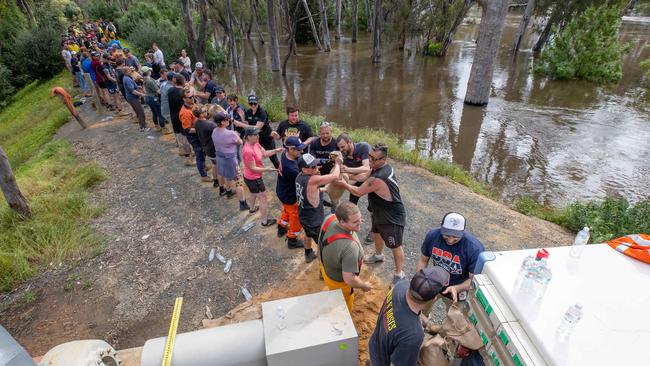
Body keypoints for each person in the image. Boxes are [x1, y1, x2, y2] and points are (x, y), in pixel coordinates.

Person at [338, 143, 407, 284]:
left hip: (391, 216)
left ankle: (399, 273)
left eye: (374, 159)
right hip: (378, 211)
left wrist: (344, 183)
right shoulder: (376, 168)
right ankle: (379, 255)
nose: (370, 161)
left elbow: (358, 191)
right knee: (376, 233)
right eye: (369, 157)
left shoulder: (380, 176)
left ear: (384, 159)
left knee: (395, 245)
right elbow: (364, 176)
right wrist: (348, 174)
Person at [368, 267, 450, 366]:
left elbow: (411, 308)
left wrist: (427, 323)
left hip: (375, 344)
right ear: (434, 299)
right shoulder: (413, 335)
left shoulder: (400, 286)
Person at [415, 212, 484, 303]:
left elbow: (473, 280)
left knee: (454, 316)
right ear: (441, 228)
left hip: (458, 288)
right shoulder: (432, 236)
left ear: (463, 232)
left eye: (455, 236)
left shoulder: (474, 248)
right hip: (434, 283)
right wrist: (420, 279)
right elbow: (423, 260)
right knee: (422, 309)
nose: (450, 240)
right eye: (446, 235)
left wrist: (457, 288)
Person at [318, 202, 372, 311]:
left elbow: (320, 243)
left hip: (324, 267)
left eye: (360, 219)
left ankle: (321, 276)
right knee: (343, 308)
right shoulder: (350, 248)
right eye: (355, 222)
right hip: (339, 284)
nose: (360, 224)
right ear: (342, 221)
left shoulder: (330, 218)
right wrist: (363, 285)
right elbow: (349, 279)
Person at [295, 153, 342, 262]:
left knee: (308, 234)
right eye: (313, 167)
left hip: (303, 216)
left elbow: (307, 191)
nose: (316, 167)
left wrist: (321, 189)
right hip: (315, 221)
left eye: (316, 164)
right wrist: (338, 164)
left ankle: (308, 254)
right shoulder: (313, 179)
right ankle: (323, 269)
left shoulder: (299, 177)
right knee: (323, 246)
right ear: (304, 169)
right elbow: (334, 176)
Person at [242, 127, 283, 226]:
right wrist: (267, 169)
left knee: (253, 193)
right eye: (255, 135)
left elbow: (265, 153)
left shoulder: (255, 143)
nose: (258, 136)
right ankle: (264, 221)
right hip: (253, 178)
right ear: (248, 137)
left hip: (250, 177)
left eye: (258, 134)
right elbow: (252, 168)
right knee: (263, 198)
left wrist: (277, 150)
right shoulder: (248, 150)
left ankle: (252, 209)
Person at [212, 112, 249, 210]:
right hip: (230, 159)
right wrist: (237, 136)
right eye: (227, 119)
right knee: (239, 181)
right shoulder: (231, 133)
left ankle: (228, 191)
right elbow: (241, 142)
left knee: (227, 175)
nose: (229, 120)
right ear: (222, 122)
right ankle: (242, 203)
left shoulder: (214, 131)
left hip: (220, 157)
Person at [275, 137, 306, 250]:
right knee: (295, 216)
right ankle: (292, 239)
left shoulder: (285, 153)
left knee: (287, 210)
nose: (301, 152)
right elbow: (303, 182)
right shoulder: (292, 169)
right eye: (298, 150)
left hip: (282, 190)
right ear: (291, 149)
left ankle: (281, 226)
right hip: (290, 195)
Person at [180, 89, 210, 182]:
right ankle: (203, 175)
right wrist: (201, 128)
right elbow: (187, 129)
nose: (193, 98)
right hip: (193, 137)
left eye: (193, 96)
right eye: (190, 97)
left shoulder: (193, 105)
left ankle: (203, 166)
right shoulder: (184, 112)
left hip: (199, 133)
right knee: (199, 153)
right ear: (184, 99)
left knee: (203, 151)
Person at [244, 94, 278, 169]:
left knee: (273, 158)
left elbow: (258, 127)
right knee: (255, 157)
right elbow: (247, 127)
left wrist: (242, 125)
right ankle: (256, 173)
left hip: (267, 137)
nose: (253, 105)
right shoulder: (248, 112)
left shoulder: (262, 112)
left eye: (254, 103)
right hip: (256, 139)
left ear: (258, 103)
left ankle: (280, 171)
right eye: (251, 103)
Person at [167, 74, 192, 160]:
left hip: (173, 116)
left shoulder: (170, 90)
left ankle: (181, 150)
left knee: (178, 134)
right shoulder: (183, 93)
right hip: (182, 117)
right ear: (183, 81)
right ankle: (188, 157)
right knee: (185, 136)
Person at [122, 68, 148, 132]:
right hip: (132, 98)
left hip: (131, 97)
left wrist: (137, 87)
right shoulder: (127, 79)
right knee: (140, 112)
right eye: (129, 70)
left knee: (138, 111)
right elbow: (133, 91)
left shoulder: (127, 77)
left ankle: (143, 125)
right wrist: (142, 94)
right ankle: (143, 127)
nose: (131, 71)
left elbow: (132, 87)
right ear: (126, 72)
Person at [142, 66, 164, 131]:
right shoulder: (149, 81)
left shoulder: (145, 78)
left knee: (154, 113)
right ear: (148, 72)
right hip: (153, 98)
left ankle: (157, 126)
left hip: (148, 98)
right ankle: (163, 127)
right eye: (149, 70)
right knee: (160, 113)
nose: (151, 71)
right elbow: (158, 91)